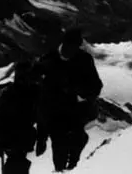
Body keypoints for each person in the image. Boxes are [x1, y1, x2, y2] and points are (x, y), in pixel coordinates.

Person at [34, 28, 102, 172]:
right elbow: (39, 96)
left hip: (76, 112)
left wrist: (80, 91)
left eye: (74, 48)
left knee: (78, 141)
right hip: (54, 114)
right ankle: (61, 170)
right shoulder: (47, 61)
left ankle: (72, 167)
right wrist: (42, 136)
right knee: (60, 147)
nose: (71, 51)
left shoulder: (84, 60)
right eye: (69, 46)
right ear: (63, 43)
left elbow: (96, 86)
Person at [0, 61, 41, 174]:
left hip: (18, 140)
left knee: (18, 164)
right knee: (17, 165)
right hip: (11, 140)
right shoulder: (8, 94)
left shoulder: (31, 92)